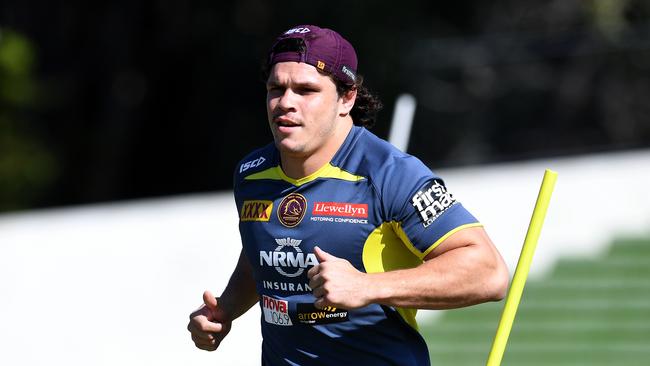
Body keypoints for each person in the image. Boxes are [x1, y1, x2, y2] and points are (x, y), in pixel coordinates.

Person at [187, 24, 509, 365]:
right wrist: (227, 309)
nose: (285, 103)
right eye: (275, 88)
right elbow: (260, 253)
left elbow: (488, 273)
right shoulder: (252, 173)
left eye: (305, 90)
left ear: (347, 98)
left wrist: (366, 286)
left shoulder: (390, 173)